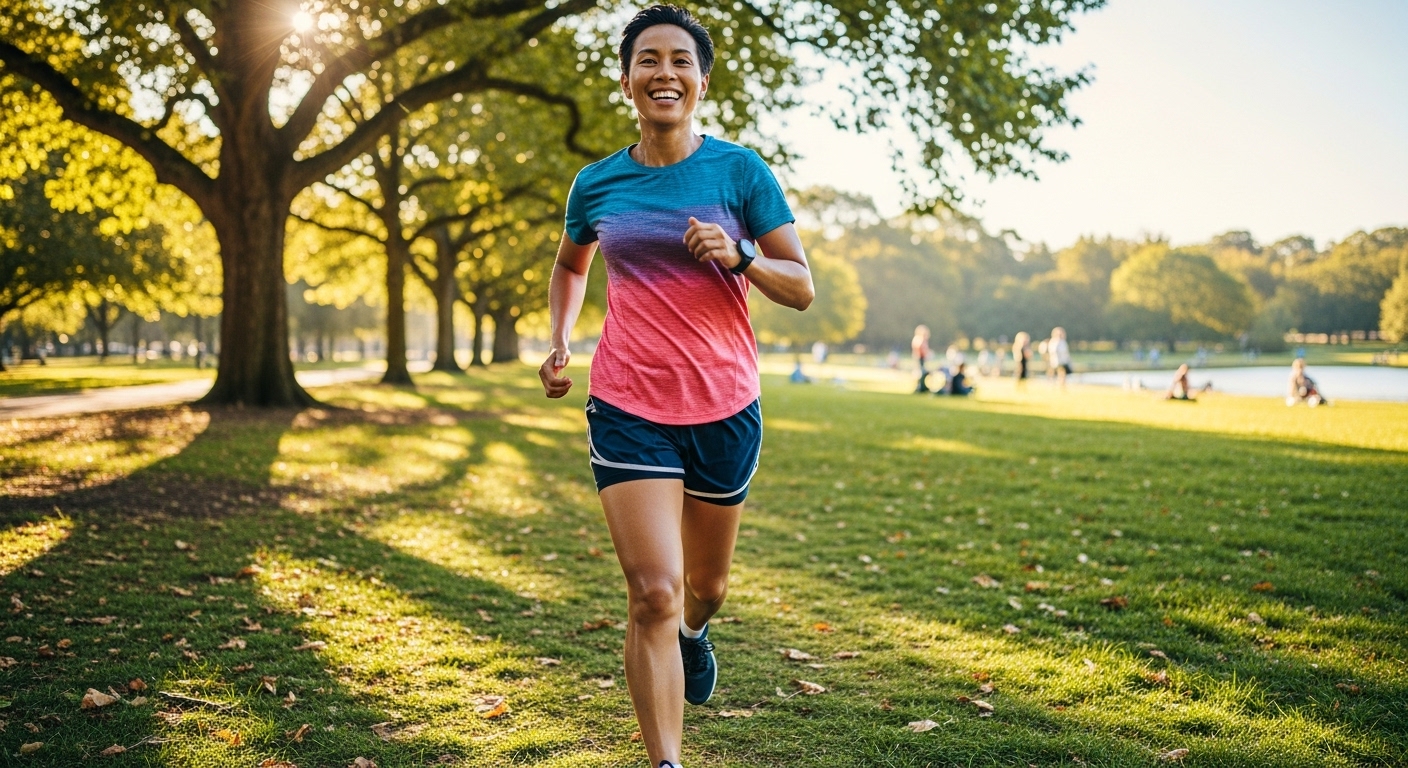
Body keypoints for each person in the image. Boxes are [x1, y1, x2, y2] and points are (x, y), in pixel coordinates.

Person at [536, 8, 814, 768]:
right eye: (648, 60)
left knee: (706, 586)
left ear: (701, 79)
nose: (665, 73)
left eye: (681, 61)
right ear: (627, 79)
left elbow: (800, 288)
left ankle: (697, 636)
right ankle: (667, 761)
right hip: (627, 404)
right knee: (653, 592)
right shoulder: (596, 183)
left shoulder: (740, 172)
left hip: (725, 405)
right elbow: (570, 264)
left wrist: (741, 256)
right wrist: (561, 338)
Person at [911, 325, 931, 393]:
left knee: (922, 373)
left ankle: (922, 386)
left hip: (920, 358)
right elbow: (922, 350)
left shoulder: (918, 340)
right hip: (920, 359)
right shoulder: (919, 340)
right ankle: (920, 387)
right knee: (921, 373)